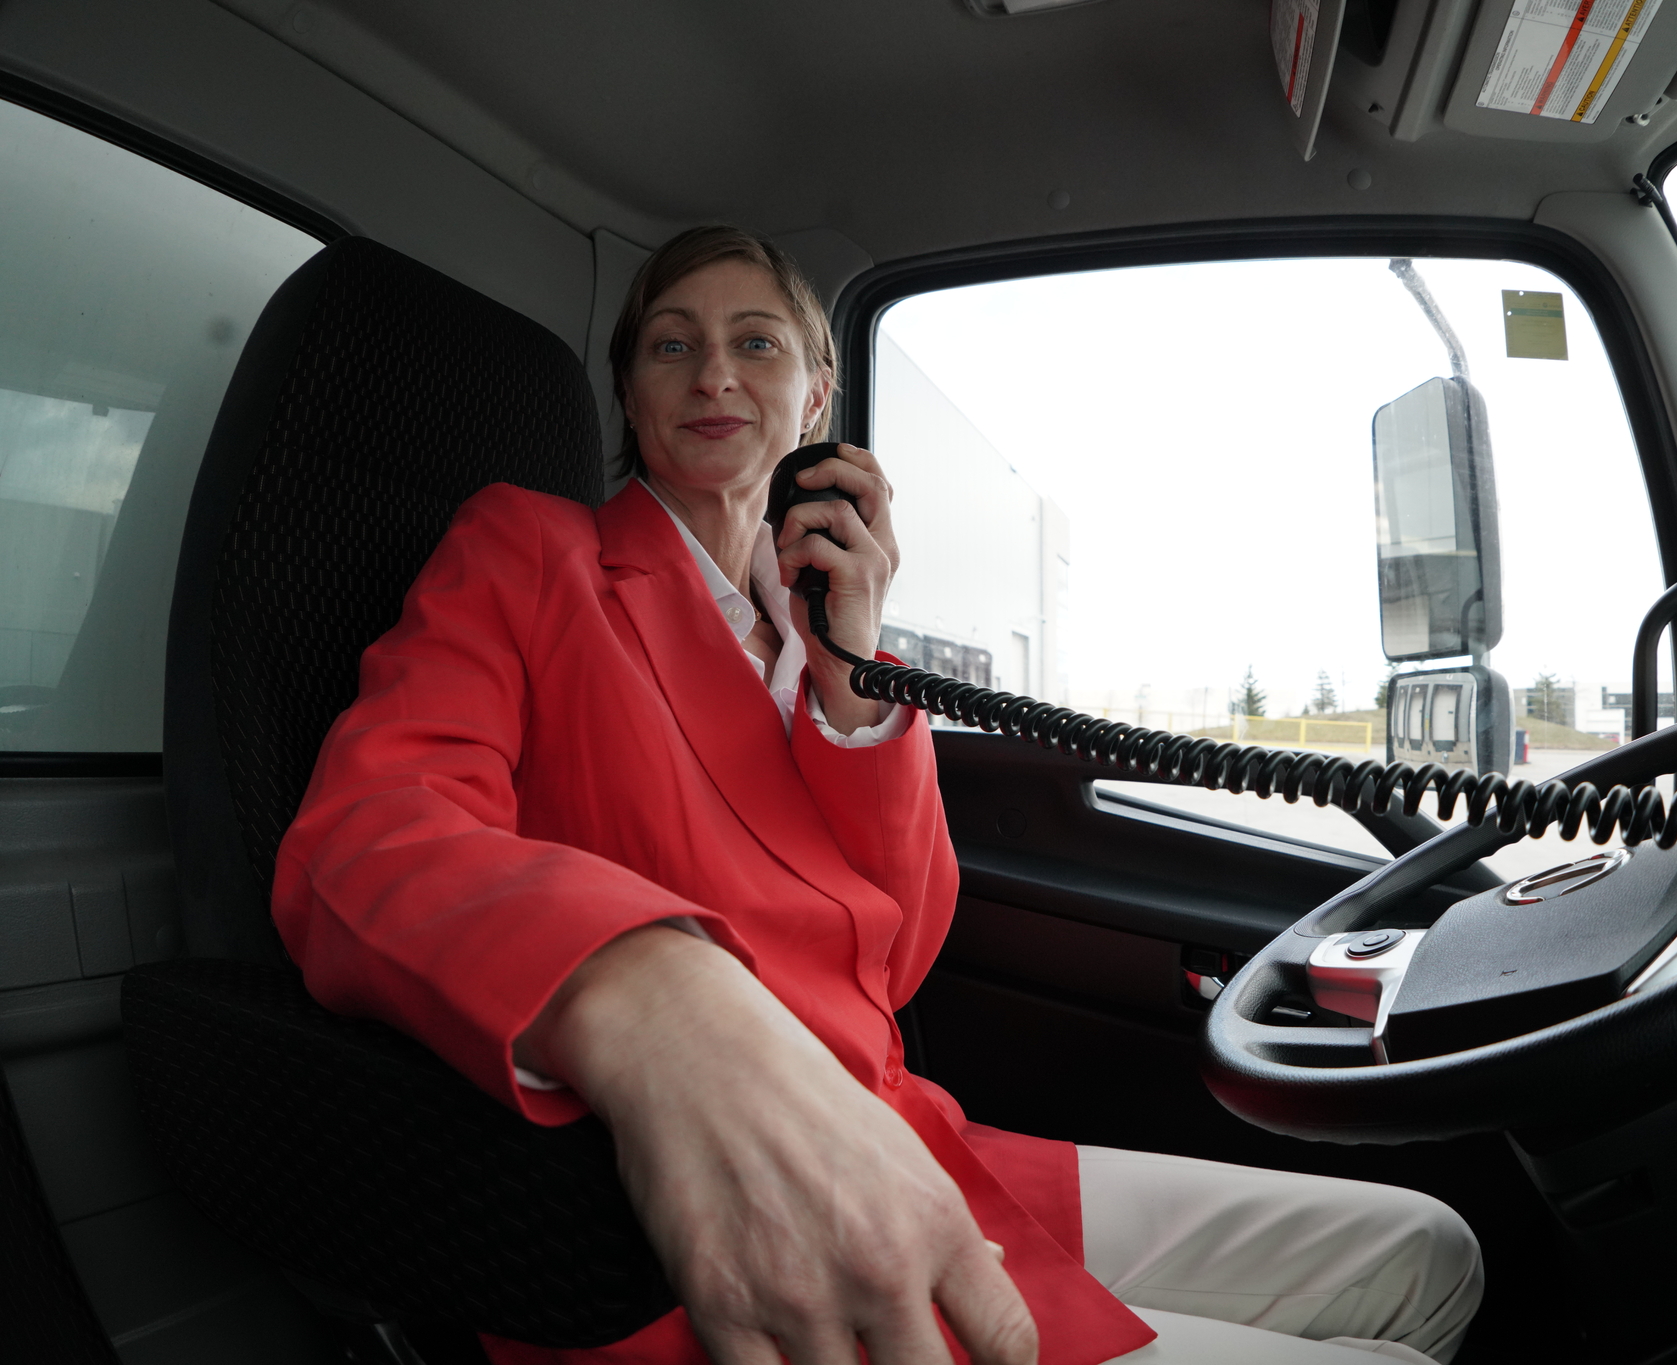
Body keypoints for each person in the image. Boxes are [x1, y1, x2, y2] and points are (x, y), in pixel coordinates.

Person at [273, 225, 1483, 1365]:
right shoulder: (534, 552)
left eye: (756, 342)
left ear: (814, 400)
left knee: (1432, 1251)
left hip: (907, 1133)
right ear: (630, 397)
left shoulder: (824, 644)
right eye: (671, 345)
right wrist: (640, 988)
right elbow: (367, 837)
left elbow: (891, 962)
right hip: (698, 1201)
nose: (713, 374)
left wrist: (851, 679)